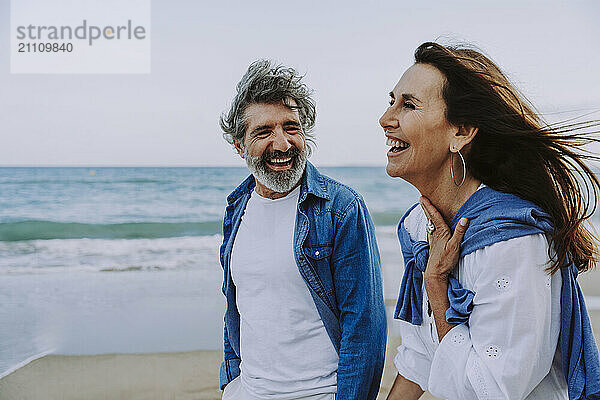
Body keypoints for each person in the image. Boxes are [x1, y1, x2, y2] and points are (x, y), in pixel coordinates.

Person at [380, 42, 600, 400]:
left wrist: (437, 284)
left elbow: (492, 390)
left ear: (461, 131)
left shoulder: (513, 242)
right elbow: (420, 360)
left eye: (408, 105)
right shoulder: (418, 227)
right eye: (391, 101)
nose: (386, 118)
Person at [218, 60, 386, 400]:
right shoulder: (237, 207)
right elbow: (237, 305)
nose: (282, 144)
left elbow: (365, 327)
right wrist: (231, 381)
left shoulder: (340, 208)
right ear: (239, 146)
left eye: (291, 128)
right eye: (264, 131)